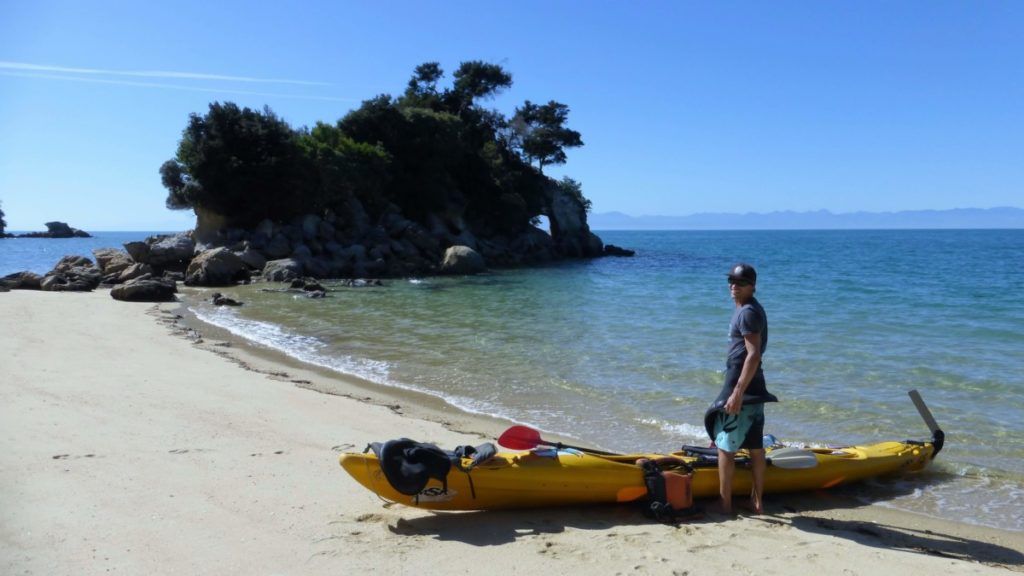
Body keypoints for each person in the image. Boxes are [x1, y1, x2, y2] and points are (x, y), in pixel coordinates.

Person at [703, 263, 778, 514]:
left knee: (725, 446)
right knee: (755, 447)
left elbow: (753, 354)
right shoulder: (751, 309)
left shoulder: (747, 312)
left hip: (743, 387)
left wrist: (736, 393)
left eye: (741, 282)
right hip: (756, 387)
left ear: (753, 286)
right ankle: (757, 503)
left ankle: (724, 504)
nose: (734, 286)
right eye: (731, 281)